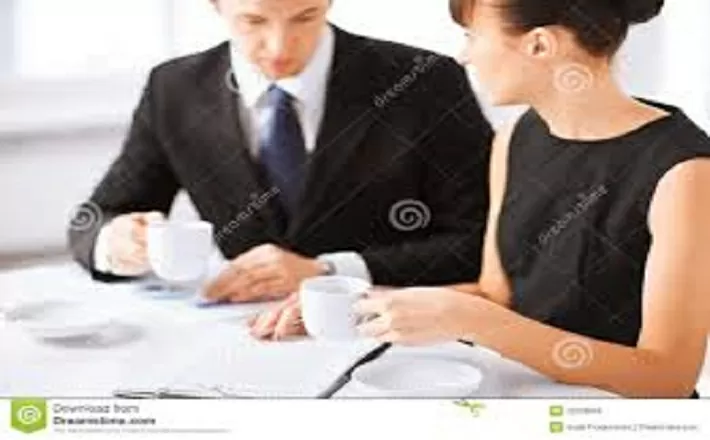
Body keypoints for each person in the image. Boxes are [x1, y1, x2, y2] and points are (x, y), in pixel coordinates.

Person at [256, 0, 710, 398]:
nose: (464, 55)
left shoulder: (685, 171)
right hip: (524, 395)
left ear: (539, 45)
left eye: (472, 35)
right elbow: (496, 294)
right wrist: (360, 305)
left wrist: (477, 322)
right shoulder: (514, 138)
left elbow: (666, 378)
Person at [67, 0, 493, 302]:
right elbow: (95, 217)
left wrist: (330, 271)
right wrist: (116, 241)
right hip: (238, 334)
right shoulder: (175, 89)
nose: (280, 47)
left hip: (393, 329)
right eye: (253, 20)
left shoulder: (424, 80)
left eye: (305, 16)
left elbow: (482, 240)